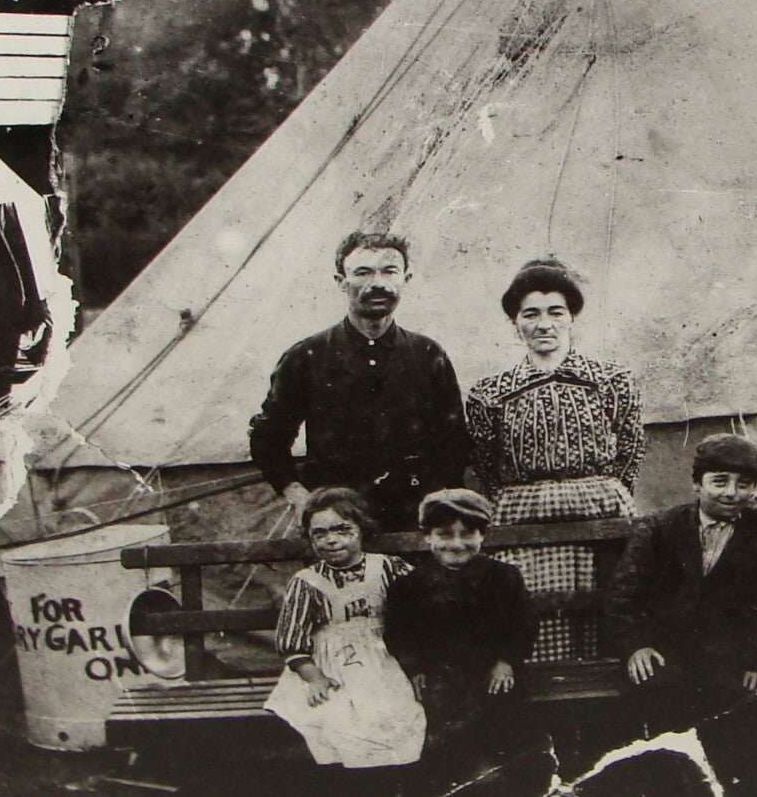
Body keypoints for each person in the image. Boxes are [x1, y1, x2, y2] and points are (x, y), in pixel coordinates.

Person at [466, 259, 645, 661]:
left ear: (572, 318)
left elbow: (630, 449)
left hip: (601, 507)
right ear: (515, 323)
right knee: (538, 620)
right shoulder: (490, 393)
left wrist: (603, 494)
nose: (544, 324)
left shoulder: (611, 380)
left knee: (609, 611)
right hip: (523, 513)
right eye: (530, 314)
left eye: (555, 312)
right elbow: (486, 464)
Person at [250, 231, 469, 531]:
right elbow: (267, 439)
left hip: (413, 522)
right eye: (363, 272)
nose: (378, 283)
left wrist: (437, 504)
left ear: (407, 278)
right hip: (338, 527)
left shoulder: (428, 355)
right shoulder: (307, 357)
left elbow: (453, 443)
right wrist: (301, 498)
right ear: (341, 281)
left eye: (390, 271)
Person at [603, 434, 757, 793]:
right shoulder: (660, 528)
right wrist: (636, 644)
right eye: (719, 482)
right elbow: (622, 593)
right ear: (696, 484)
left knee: (739, 717)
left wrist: (755, 661)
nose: (731, 493)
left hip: (724, 655)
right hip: (663, 649)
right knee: (663, 706)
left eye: (743, 485)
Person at [384, 488, 538, 792]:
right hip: (439, 677)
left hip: (491, 673)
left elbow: (523, 624)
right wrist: (415, 670)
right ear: (427, 536)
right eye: (444, 534)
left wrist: (506, 660)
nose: (456, 544)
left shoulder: (503, 577)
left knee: (502, 724)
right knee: (436, 735)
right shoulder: (409, 587)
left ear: (483, 536)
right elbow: (399, 635)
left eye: (467, 533)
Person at [264, 488, 425, 774]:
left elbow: (422, 609)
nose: (332, 540)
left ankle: (394, 778)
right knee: (338, 717)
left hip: (385, 660)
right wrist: (314, 678)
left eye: (342, 530)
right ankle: (353, 780)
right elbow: (292, 643)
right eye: (320, 534)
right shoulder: (307, 582)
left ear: (362, 529)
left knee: (397, 712)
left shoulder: (388, 567)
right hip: (332, 666)